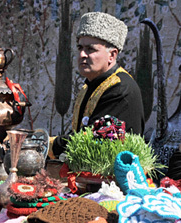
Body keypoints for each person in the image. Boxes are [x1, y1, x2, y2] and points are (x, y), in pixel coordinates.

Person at [51, 12, 144, 157]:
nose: (82, 54)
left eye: (91, 49)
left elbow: (92, 139)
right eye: (80, 48)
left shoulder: (120, 88)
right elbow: (80, 133)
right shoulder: (90, 85)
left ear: (112, 55)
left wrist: (47, 144)